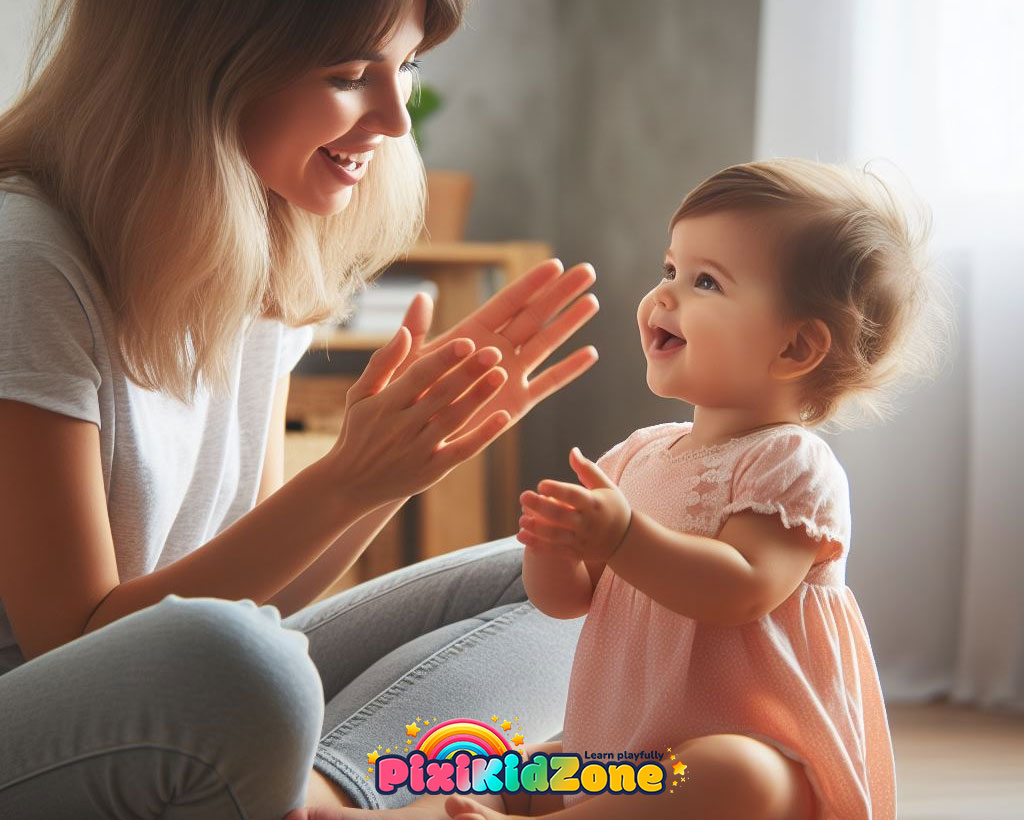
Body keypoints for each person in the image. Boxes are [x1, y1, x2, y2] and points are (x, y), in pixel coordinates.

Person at [0, 1, 600, 817]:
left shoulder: (261, 240)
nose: (394, 119)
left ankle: (336, 795)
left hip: (190, 684)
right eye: (352, 76)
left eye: (408, 67)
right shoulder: (26, 260)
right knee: (242, 666)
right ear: (197, 74)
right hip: (41, 722)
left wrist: (395, 469)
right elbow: (80, 648)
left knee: (575, 579)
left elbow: (262, 597)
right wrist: (346, 481)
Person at [336, 159, 953, 820]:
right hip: (629, 760)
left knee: (738, 774)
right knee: (521, 764)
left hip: (745, 763)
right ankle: (386, 815)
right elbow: (565, 600)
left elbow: (741, 588)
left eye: (706, 281)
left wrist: (623, 535)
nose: (665, 296)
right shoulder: (640, 454)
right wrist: (554, 548)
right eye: (669, 270)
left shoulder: (790, 463)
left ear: (796, 347)